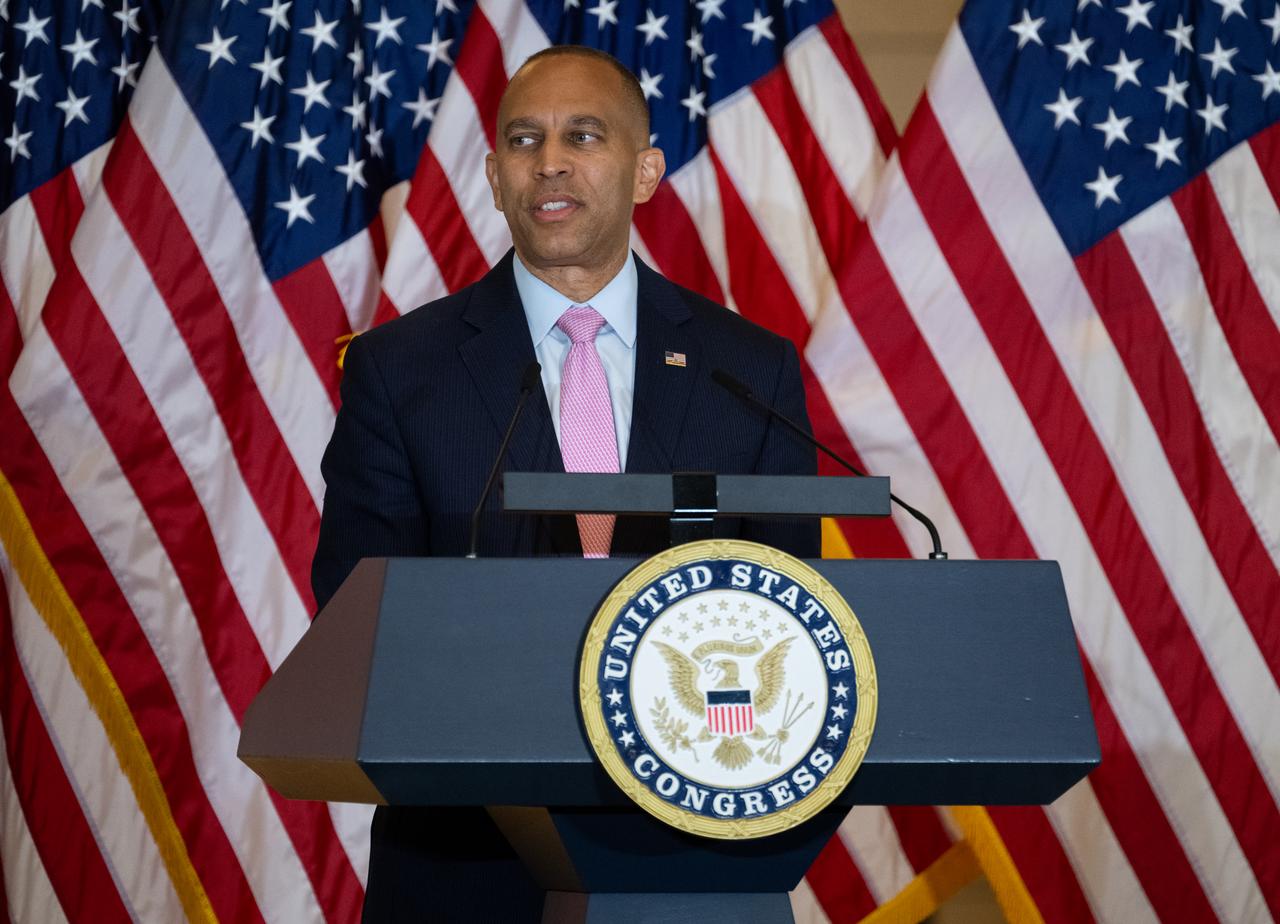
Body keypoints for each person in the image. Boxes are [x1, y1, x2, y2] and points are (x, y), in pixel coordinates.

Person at [311, 45, 819, 922]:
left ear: (646, 171)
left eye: (584, 135)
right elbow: (356, 610)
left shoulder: (751, 371)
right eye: (523, 140)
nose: (549, 159)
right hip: (466, 863)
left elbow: (792, 614)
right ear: (496, 178)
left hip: (692, 855)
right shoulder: (401, 371)